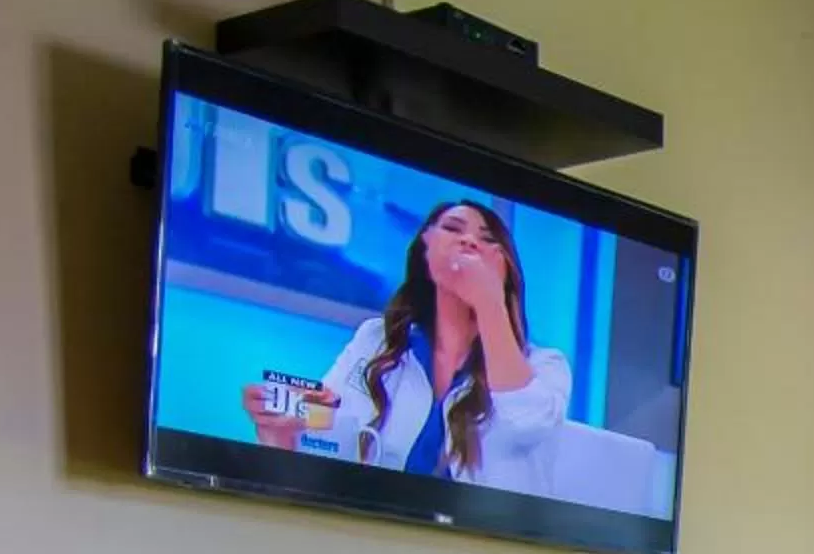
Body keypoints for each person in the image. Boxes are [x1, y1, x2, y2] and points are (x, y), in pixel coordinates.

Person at [242, 199, 572, 495]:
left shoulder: (543, 366)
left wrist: (489, 304)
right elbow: (328, 437)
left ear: (505, 269)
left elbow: (527, 423)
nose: (469, 241)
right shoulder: (377, 341)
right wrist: (283, 434)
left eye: (487, 240)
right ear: (425, 250)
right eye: (453, 229)